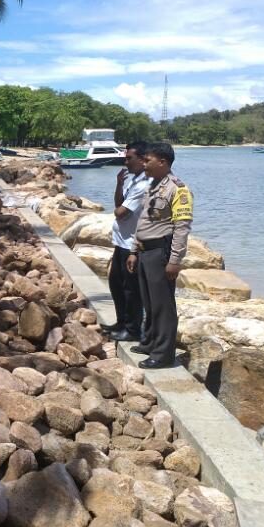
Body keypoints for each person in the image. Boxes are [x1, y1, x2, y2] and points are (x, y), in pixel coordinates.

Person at [127, 142, 193, 370]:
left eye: (148, 161)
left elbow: (181, 227)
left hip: (160, 253)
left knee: (163, 305)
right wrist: (134, 250)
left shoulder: (178, 189)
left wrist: (175, 260)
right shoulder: (153, 186)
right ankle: (150, 342)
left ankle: (163, 355)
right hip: (145, 251)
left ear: (163, 162)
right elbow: (144, 221)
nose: (144, 164)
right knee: (149, 302)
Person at [103, 141, 151, 342]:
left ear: (142, 159)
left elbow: (120, 213)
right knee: (116, 283)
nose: (126, 161)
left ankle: (132, 330)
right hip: (121, 242)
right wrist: (119, 184)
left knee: (131, 290)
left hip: (132, 244)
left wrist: (118, 209)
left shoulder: (144, 185)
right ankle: (121, 322)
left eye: (130, 158)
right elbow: (118, 204)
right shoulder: (133, 180)